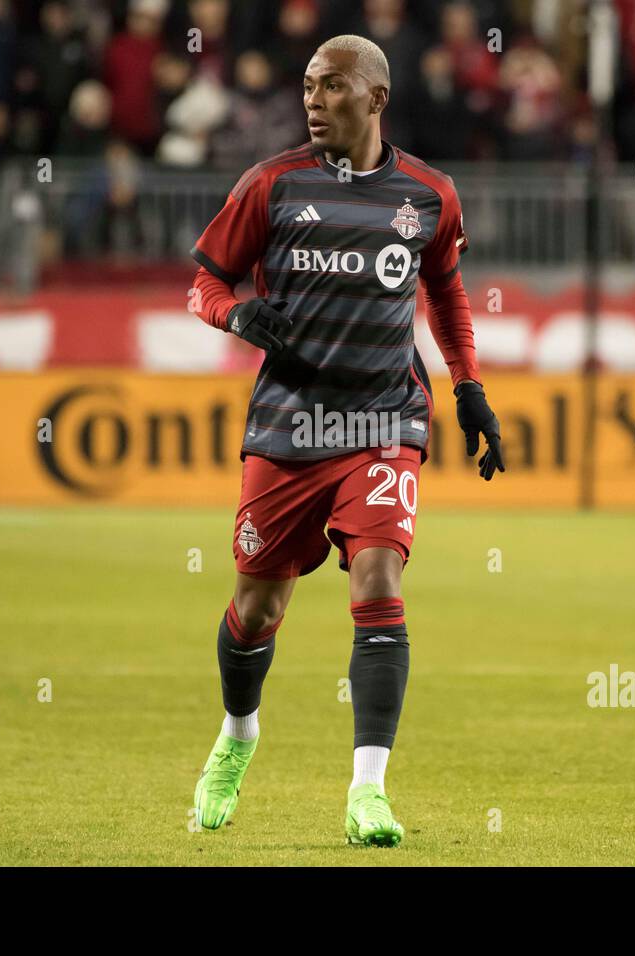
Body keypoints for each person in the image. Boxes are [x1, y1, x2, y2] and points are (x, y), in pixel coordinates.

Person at [188, 34, 505, 846]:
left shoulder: (430, 195)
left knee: (376, 577)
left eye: (330, 87)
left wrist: (469, 389)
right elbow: (205, 281)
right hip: (290, 424)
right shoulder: (273, 184)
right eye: (306, 87)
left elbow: (447, 291)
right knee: (257, 607)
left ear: (374, 98)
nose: (313, 100)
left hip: (384, 422)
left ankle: (369, 791)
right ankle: (238, 733)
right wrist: (235, 314)